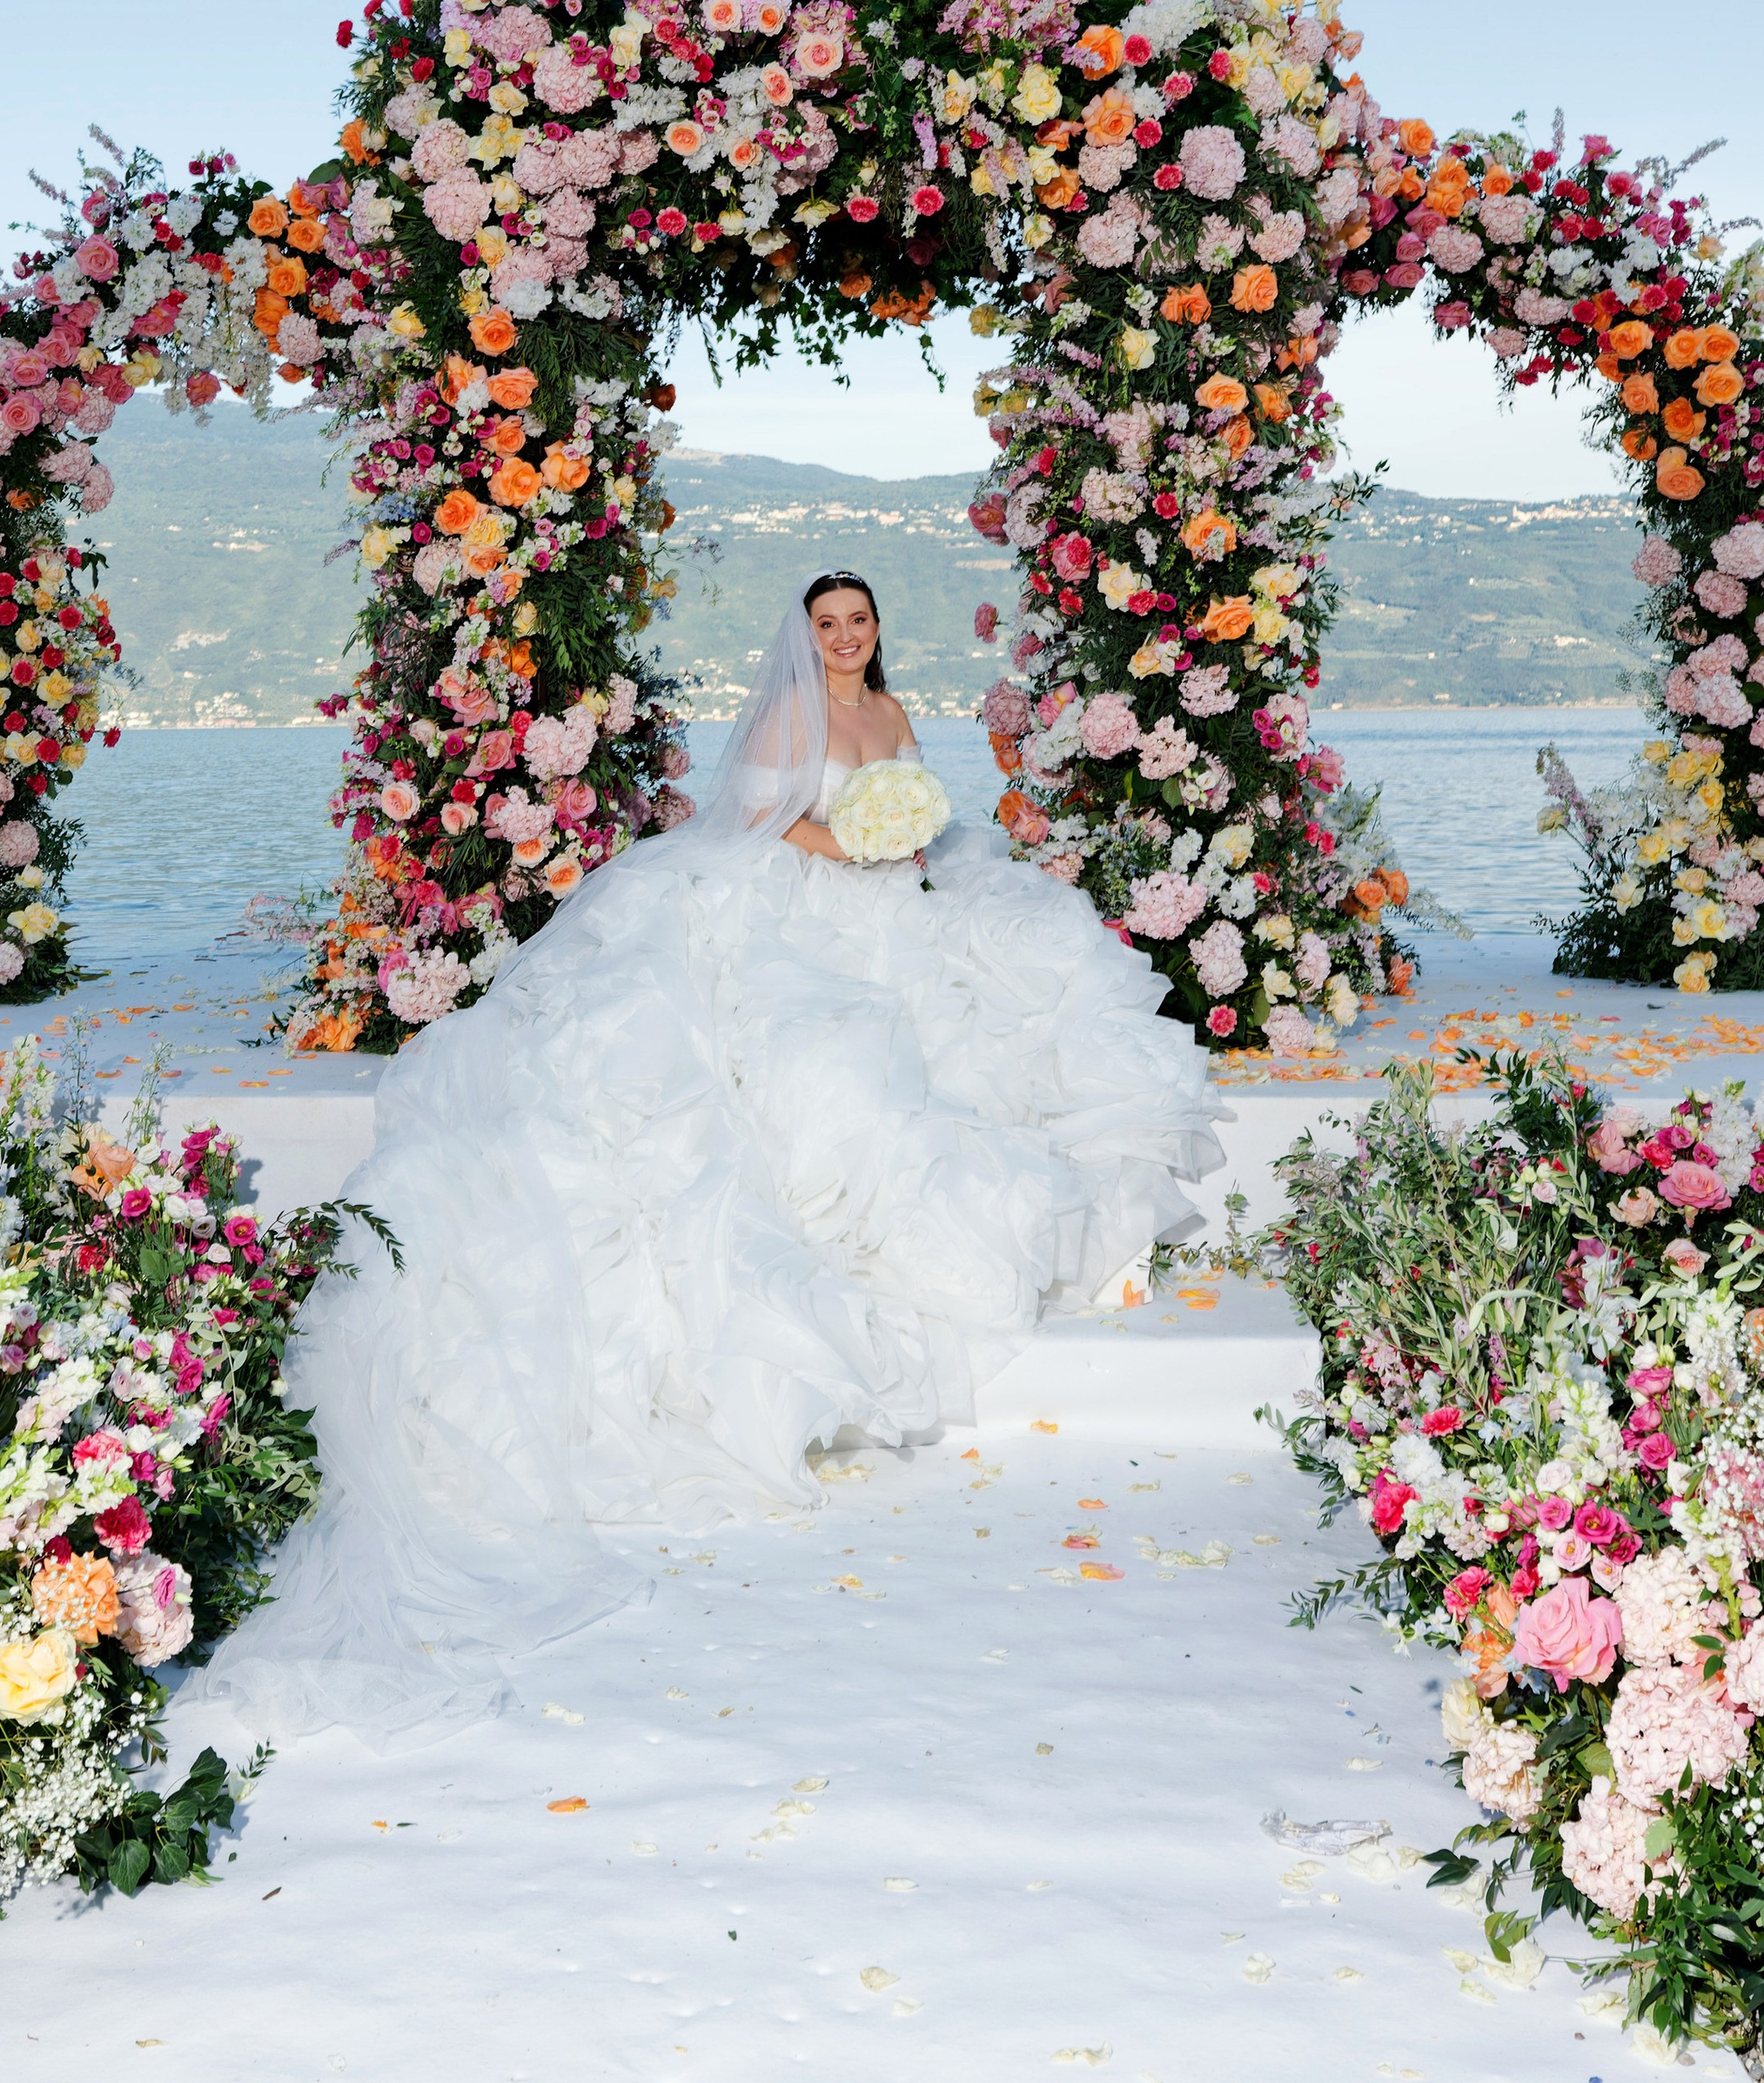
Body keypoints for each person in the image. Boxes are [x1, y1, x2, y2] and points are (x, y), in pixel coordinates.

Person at [188, 574, 1219, 1737]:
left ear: (878, 628)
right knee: (815, 1063)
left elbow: (916, 808)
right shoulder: (794, 715)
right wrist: (859, 850)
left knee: (1003, 1003)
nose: (843, 637)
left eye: (859, 621)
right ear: (806, 633)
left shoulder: (892, 711)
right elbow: (770, 822)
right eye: (827, 623)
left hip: (893, 898)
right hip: (806, 900)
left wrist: (909, 845)